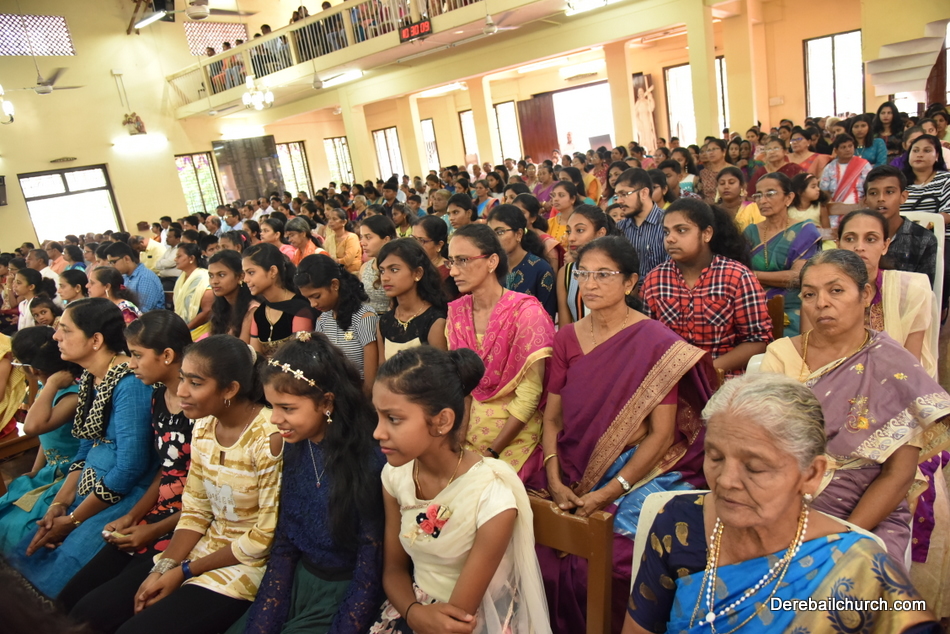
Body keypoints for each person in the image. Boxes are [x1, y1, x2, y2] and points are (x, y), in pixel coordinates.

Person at [621, 373, 939, 634]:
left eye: (755, 467)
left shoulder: (859, 568)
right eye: (715, 457)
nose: (726, 480)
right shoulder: (678, 525)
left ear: (811, 474)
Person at [525, 235, 714, 633]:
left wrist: (609, 492)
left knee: (616, 558)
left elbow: (660, 434)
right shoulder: (567, 337)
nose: (590, 284)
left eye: (604, 275)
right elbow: (553, 419)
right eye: (583, 274)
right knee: (535, 543)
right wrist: (554, 479)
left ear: (629, 283)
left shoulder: (656, 343)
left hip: (636, 469)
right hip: (572, 462)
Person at [103, 336, 282, 634]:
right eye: (183, 378)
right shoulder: (203, 426)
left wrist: (183, 571)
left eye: (195, 383)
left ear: (230, 389)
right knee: (94, 611)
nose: (182, 391)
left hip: (246, 565)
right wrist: (163, 568)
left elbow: (263, 538)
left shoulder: (269, 437)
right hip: (201, 550)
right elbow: (196, 510)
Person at [370, 346, 551, 634]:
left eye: (393, 419)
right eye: (378, 416)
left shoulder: (491, 497)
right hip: (413, 606)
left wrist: (418, 617)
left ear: (442, 421)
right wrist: (413, 612)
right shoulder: (395, 476)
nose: (377, 432)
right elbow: (393, 569)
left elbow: (459, 617)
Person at [225, 333, 385, 633]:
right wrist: (265, 619)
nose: (275, 419)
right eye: (272, 406)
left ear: (326, 402)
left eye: (287, 408)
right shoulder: (297, 447)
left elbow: (370, 569)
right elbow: (285, 544)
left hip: (345, 592)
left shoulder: (370, 461)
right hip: (296, 580)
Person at [8, 299, 156, 598]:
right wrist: (60, 503)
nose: (55, 337)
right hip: (90, 485)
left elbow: (130, 466)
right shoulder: (91, 377)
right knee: (29, 548)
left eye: (65, 330)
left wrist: (75, 519)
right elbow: (86, 447)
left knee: (63, 570)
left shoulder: (130, 383)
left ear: (96, 340)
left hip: (125, 494)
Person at [62, 311, 194, 633]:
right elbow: (167, 471)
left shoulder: (199, 406)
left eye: (137, 355)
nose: (131, 364)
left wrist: (152, 529)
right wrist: (133, 516)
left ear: (167, 356)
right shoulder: (159, 397)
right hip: (159, 511)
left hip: (188, 522)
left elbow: (205, 494)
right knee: (71, 597)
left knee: (94, 612)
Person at [445, 225, 555, 475]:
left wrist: (491, 454)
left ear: (492, 261)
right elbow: (463, 388)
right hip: (469, 429)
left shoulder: (526, 314)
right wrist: (458, 442)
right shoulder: (457, 313)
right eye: (451, 261)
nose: (453, 271)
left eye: (463, 260)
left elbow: (529, 396)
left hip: (514, 436)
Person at [641, 199, 772, 377]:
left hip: (723, 377)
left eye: (681, 230)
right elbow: (647, 339)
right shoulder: (655, 279)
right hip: (671, 377)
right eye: (666, 232)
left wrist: (707, 371)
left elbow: (757, 341)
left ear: (706, 234)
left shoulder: (737, 277)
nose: (670, 238)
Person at [836, 209, 938, 377]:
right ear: (838, 245)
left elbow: (912, 365)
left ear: (885, 246)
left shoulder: (911, 291)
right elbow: (813, 361)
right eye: (850, 239)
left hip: (895, 382)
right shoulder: (821, 291)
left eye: (870, 239)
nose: (859, 247)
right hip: (836, 382)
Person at [0, 328, 74, 550]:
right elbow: (45, 437)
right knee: (8, 505)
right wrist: (36, 469)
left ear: (32, 368)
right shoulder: (46, 388)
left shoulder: (71, 394)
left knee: (17, 528)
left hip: (70, 473)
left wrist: (51, 385)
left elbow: (32, 427)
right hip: (50, 470)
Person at [744, 172, 821, 337]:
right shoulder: (750, 232)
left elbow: (798, 277)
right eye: (758, 195)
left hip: (792, 305)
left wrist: (753, 275)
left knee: (788, 337)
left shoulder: (805, 231)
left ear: (789, 198)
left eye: (770, 194)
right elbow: (738, 272)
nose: (762, 201)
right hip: (753, 303)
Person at [296, 254, 379, 391]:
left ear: (334, 284)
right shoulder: (322, 320)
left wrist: (361, 401)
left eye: (316, 296)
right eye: (308, 299)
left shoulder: (364, 318)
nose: (312, 304)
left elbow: (371, 380)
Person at [376, 239, 448, 363]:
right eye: (382, 271)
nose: (385, 278)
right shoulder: (384, 322)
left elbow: (441, 371)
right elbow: (382, 370)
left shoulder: (435, 321)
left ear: (417, 273)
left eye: (394, 270)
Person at [865, 165, 938, 285]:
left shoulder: (924, 239)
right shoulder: (858, 236)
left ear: (903, 197)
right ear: (865, 200)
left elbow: (925, 290)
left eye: (889, 192)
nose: (881, 198)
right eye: (873, 193)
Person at [243, 244, 316, 359]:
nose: (245, 279)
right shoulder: (259, 313)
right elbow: (256, 358)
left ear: (272, 271)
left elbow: (300, 359)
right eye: (244, 274)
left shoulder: (299, 310)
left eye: (251, 272)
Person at [487, 205, 557, 319]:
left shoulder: (541, 269)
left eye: (500, 232)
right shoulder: (489, 268)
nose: (494, 239)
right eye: (491, 234)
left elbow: (547, 318)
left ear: (518, 234)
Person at [557, 205, 613, 327]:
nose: (571, 238)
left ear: (600, 233)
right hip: (578, 338)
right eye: (568, 231)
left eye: (580, 230)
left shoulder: (618, 270)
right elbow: (565, 327)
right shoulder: (566, 273)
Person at [614, 168, 668, 277]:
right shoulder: (619, 228)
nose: (619, 201)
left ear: (644, 193)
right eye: (617, 196)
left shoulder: (667, 223)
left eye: (624, 194)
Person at [207, 250, 258, 342]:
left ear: (240, 276)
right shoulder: (220, 307)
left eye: (221, 275)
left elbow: (242, 348)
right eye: (211, 276)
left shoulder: (253, 310)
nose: (214, 281)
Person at [105, 242, 165, 312]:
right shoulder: (125, 277)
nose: (112, 266)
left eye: (113, 262)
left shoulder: (145, 277)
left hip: (148, 317)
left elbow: (143, 310)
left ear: (126, 259)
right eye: (110, 263)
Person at [513, 194, 564, 271]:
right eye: (514, 212)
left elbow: (551, 276)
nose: (516, 216)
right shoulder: (511, 238)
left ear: (533, 218)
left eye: (522, 212)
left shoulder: (548, 244)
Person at [172, 243, 213, 340]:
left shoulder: (204, 278)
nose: (175, 259)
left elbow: (207, 311)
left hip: (201, 331)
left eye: (179, 256)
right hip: (184, 327)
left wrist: (186, 329)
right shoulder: (181, 278)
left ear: (191, 258)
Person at [820, 133, 873, 206]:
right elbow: (824, 191)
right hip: (836, 207)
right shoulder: (829, 168)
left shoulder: (864, 165)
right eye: (843, 147)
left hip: (860, 206)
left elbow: (871, 186)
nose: (848, 149)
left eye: (850, 146)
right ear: (836, 151)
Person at [359, 215, 397, 315]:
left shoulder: (397, 268)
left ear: (386, 239)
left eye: (368, 237)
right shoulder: (365, 267)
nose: (362, 243)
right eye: (361, 237)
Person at [714, 166, 762, 230]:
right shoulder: (713, 211)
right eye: (722, 183)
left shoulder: (753, 208)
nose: (726, 187)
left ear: (742, 186)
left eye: (731, 182)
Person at [323, 209, 362, 273]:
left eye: (334, 219)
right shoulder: (330, 238)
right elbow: (324, 256)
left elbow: (348, 261)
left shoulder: (351, 237)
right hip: (334, 272)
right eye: (329, 219)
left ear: (344, 222)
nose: (330, 221)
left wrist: (331, 261)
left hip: (351, 274)